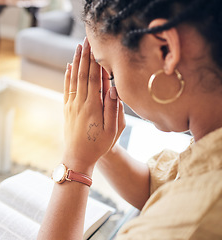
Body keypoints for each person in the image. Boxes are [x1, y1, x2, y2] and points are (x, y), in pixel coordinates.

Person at [37, 0, 222, 239]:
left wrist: (76, 163)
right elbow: (159, 186)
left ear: (164, 50)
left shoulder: (194, 218)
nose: (114, 85)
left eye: (111, 73)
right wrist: (99, 146)